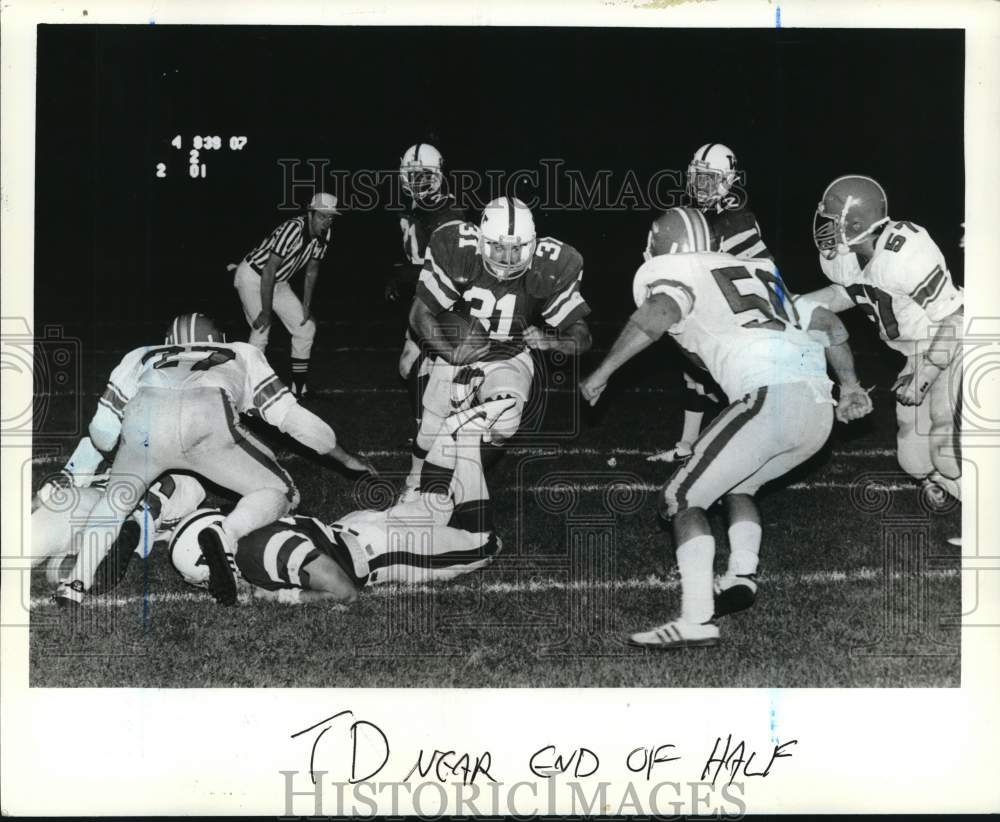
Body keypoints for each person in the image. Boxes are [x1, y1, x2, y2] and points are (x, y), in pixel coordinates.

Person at [580, 207, 872, 650]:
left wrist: (601, 374)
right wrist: (849, 386)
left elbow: (657, 313)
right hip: (817, 410)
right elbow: (829, 323)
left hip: (771, 399)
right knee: (739, 485)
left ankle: (695, 620)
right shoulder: (758, 272)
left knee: (681, 498)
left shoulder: (676, 273)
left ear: (661, 245)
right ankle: (741, 574)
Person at [53, 312, 374, 607]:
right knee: (282, 491)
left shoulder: (139, 355)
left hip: (145, 416)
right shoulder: (241, 352)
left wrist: (124, 456)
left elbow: (102, 432)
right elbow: (291, 417)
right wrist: (345, 459)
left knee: (114, 502)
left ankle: (74, 583)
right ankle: (226, 534)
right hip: (206, 415)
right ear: (217, 339)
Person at [168, 399, 513, 605]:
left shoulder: (257, 553)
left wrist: (286, 598)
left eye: (200, 577)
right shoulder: (247, 526)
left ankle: (466, 437)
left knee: (483, 545)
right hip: (354, 529)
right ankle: (450, 432)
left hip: (379, 550)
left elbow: (344, 592)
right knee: (434, 506)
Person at [402, 196, 592, 498]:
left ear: (531, 244)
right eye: (499, 247)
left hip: (510, 355)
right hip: (461, 347)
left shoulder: (553, 263)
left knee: (505, 420)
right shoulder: (457, 249)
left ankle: (456, 483)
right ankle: (413, 482)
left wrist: (553, 340)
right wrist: (451, 353)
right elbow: (419, 313)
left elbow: (582, 336)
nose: (507, 257)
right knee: (429, 429)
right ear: (482, 241)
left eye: (517, 248)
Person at [800, 175, 963, 503]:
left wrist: (926, 375)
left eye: (832, 221)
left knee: (947, 446)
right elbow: (852, 292)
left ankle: (988, 527)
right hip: (917, 350)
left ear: (856, 222)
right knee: (914, 461)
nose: (825, 228)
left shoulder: (904, 250)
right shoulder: (846, 258)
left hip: (954, 342)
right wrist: (798, 307)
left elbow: (955, 317)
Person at [648, 143, 775, 464]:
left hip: (737, 313)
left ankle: (749, 453)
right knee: (693, 373)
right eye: (698, 177)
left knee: (733, 383)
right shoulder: (700, 213)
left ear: (728, 180)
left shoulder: (735, 218)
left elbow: (763, 271)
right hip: (711, 306)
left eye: (710, 178)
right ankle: (687, 445)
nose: (702, 185)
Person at [385, 143, 467, 432]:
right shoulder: (417, 207)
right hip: (427, 298)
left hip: (450, 304)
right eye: (412, 175)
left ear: (437, 175)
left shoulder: (448, 212)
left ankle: (436, 432)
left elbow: (449, 269)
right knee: (409, 366)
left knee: (440, 371)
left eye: (424, 175)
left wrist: (403, 274)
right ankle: (428, 429)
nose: (417, 181)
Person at [232, 192, 342, 397]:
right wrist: (266, 311)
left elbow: (312, 270)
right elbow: (268, 269)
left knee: (306, 327)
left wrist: (306, 307)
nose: (326, 221)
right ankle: (249, 390)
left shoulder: (325, 234)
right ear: (310, 213)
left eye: (330, 217)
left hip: (279, 281)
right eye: (321, 215)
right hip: (253, 276)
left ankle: (299, 388)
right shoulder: (293, 228)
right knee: (261, 329)